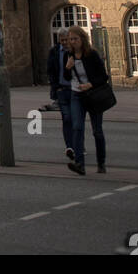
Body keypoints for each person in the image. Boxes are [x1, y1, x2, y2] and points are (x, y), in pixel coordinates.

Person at [66, 26, 110, 176]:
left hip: (93, 95)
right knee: (77, 127)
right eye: (71, 39)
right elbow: (66, 78)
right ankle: (79, 164)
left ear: (82, 39)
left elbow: (104, 77)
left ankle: (101, 163)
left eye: (75, 39)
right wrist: (67, 68)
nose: (73, 42)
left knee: (97, 131)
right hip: (76, 95)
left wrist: (90, 84)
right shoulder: (69, 55)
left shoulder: (92, 55)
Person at [48, 29, 75, 162]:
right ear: (59, 40)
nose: (64, 42)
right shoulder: (54, 52)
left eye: (66, 40)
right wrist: (55, 87)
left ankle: (78, 145)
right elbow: (51, 70)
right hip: (61, 90)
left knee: (76, 119)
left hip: (76, 90)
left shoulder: (74, 52)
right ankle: (69, 146)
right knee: (67, 118)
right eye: (62, 40)